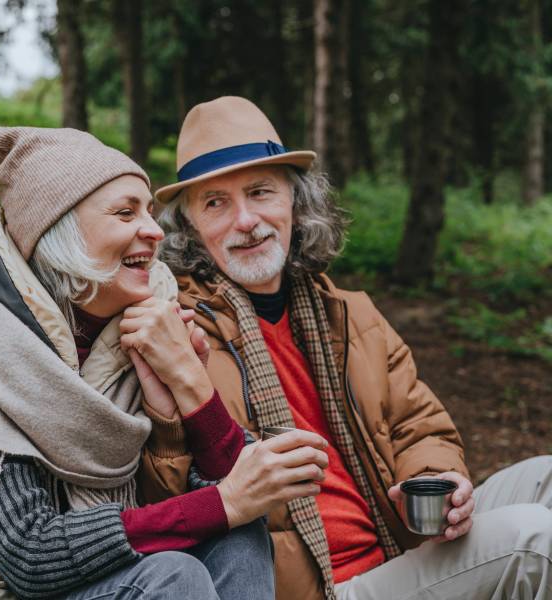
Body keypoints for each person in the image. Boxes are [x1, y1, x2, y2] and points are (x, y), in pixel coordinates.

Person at [0, 126, 328, 599]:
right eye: (126, 212)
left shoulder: (138, 325)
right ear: (58, 232)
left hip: (79, 575)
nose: (154, 230)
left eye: (149, 211)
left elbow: (234, 487)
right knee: (175, 573)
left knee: (239, 535)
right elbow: (30, 554)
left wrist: (187, 385)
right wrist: (225, 500)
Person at [155, 96, 552, 600]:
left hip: (398, 541)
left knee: (546, 477)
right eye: (216, 203)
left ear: (295, 206)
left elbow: (418, 423)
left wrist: (434, 480)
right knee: (534, 541)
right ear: (189, 228)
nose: (246, 220)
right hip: (323, 586)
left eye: (261, 193)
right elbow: (169, 494)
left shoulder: (347, 311)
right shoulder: (180, 332)